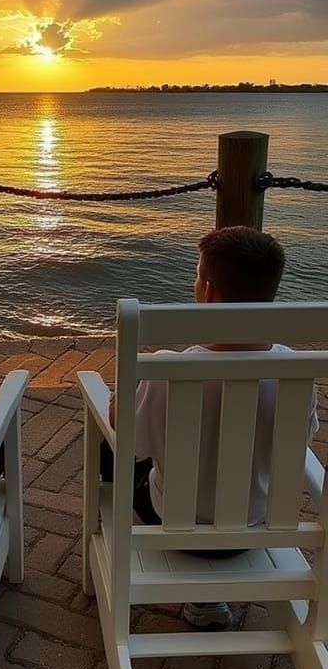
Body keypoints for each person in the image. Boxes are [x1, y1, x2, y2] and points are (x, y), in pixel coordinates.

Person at [102, 226, 319, 630]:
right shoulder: (295, 373)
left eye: (197, 275)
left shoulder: (167, 368)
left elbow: (126, 439)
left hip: (173, 525)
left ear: (209, 292)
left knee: (113, 441)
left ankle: (108, 544)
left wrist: (119, 399)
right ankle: (208, 599)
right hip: (257, 527)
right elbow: (300, 442)